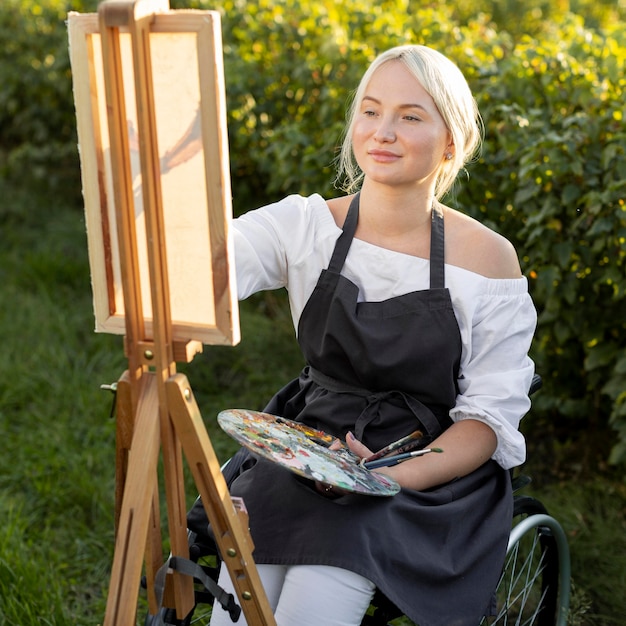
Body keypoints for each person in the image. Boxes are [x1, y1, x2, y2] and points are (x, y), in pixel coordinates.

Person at [203, 44, 537, 626]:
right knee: (246, 581)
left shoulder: (488, 261)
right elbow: (206, 261)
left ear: (451, 141)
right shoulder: (305, 226)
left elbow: (485, 424)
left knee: (322, 582)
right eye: (370, 110)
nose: (383, 132)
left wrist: (384, 478)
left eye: (410, 116)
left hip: (426, 466)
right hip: (309, 444)